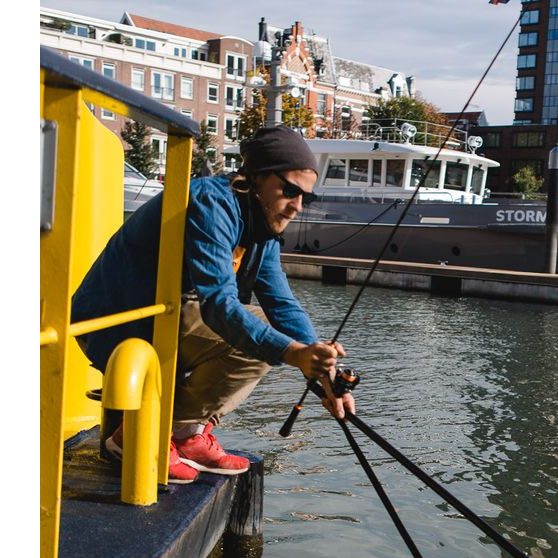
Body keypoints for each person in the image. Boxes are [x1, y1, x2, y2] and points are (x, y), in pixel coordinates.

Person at [72, 126, 354, 484]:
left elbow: (282, 304)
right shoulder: (212, 202)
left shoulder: (259, 224)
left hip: (163, 317)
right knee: (257, 345)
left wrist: (326, 377)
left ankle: (186, 436)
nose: (298, 206)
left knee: (267, 330)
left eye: (306, 198)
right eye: (290, 191)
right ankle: (139, 435)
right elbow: (219, 304)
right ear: (256, 179)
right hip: (114, 321)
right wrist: (294, 353)